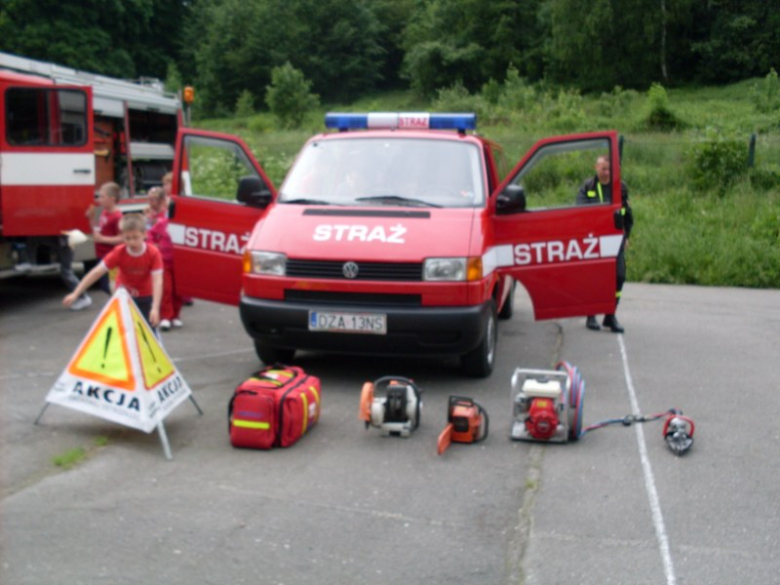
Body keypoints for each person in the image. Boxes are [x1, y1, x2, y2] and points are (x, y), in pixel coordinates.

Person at [63, 213, 163, 328]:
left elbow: (157, 281)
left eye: (135, 237)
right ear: (122, 236)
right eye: (127, 238)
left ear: (144, 234)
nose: (131, 242)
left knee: (149, 331)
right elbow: (96, 272)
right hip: (124, 296)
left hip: (146, 297)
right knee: (124, 331)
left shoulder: (153, 253)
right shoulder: (118, 252)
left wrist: (155, 308)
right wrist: (76, 293)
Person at [576, 155, 633, 333]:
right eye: (603, 168)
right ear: (596, 168)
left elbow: (627, 214)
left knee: (619, 276)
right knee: (594, 278)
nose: (606, 172)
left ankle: (610, 315)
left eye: (609, 169)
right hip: (593, 240)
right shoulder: (588, 187)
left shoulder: (620, 188)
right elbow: (581, 211)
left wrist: (626, 235)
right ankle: (591, 315)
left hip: (615, 239)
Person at [145, 187, 183, 330]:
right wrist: (153, 248)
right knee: (166, 289)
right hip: (164, 260)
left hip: (177, 260)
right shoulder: (156, 218)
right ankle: (166, 316)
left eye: (152, 199)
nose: (150, 203)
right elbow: (149, 234)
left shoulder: (167, 218)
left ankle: (175, 315)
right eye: (149, 199)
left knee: (178, 290)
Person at [89, 182, 124, 294]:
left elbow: (122, 238)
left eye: (102, 196)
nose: (99, 199)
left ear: (112, 199)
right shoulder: (104, 212)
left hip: (111, 256)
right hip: (101, 254)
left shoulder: (117, 216)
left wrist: (102, 239)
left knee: (110, 287)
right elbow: (98, 229)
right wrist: (91, 219)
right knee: (104, 285)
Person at [58, 234, 92, 311]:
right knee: (66, 272)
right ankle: (82, 297)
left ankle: (83, 297)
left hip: (66, 245)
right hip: (65, 244)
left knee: (66, 272)